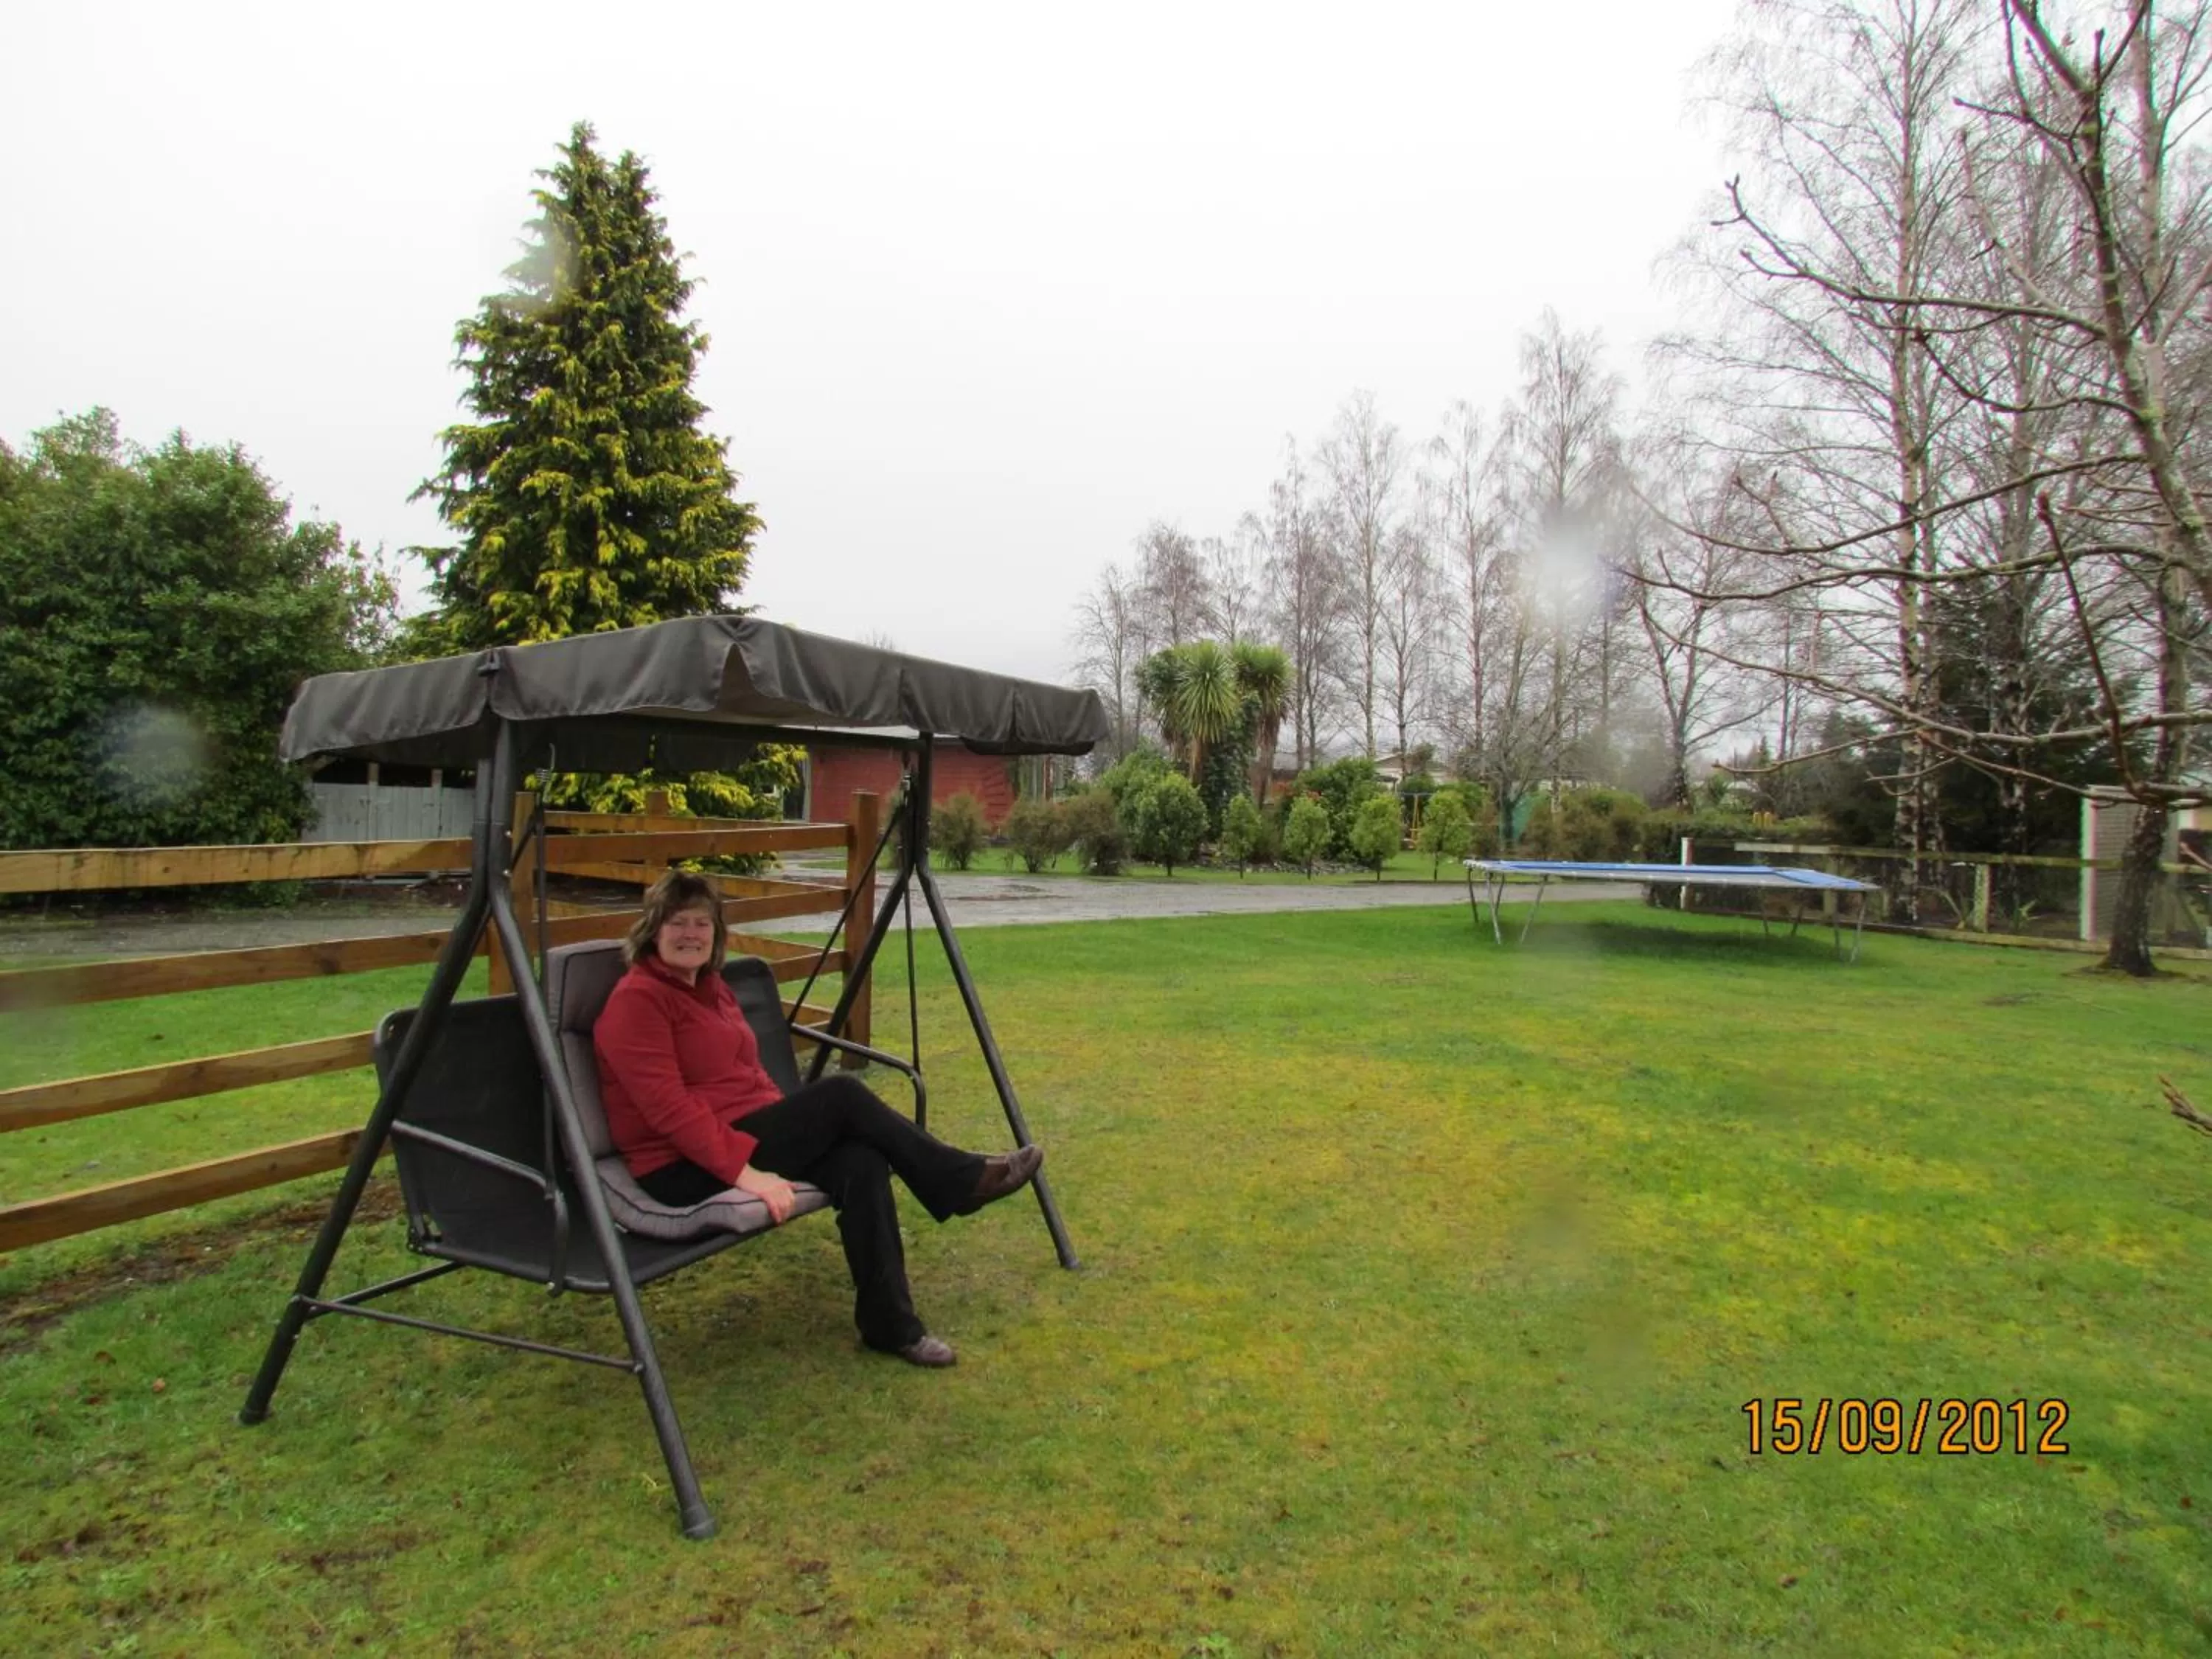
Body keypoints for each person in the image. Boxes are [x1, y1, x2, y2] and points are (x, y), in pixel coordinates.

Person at [591, 869, 1043, 1368]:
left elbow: (748, 1073)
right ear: (652, 930)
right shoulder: (637, 1001)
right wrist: (750, 1176)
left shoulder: (711, 988)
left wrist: (787, 1128)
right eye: (678, 923)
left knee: (861, 1161)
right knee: (843, 1095)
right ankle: (961, 1182)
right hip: (678, 1167)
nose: (691, 935)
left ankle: (889, 1326)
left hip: (744, 1134)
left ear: (716, 934)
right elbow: (668, 1111)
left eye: (702, 924)